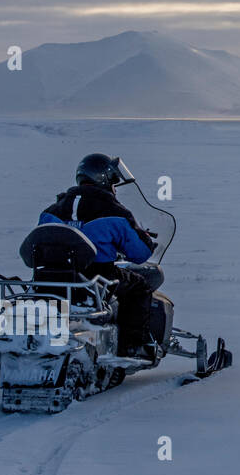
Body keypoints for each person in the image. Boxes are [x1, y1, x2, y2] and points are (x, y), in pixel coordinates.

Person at [39, 153, 162, 359]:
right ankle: (131, 346)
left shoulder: (52, 210)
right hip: (96, 279)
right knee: (140, 287)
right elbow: (140, 254)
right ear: (105, 180)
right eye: (114, 183)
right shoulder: (113, 211)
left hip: (50, 281)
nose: (114, 188)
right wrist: (146, 239)